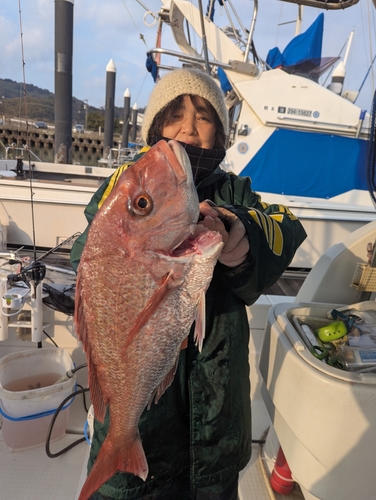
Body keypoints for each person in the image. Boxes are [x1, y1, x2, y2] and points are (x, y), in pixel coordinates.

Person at [70, 68, 307, 500]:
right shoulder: (121, 187)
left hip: (217, 423)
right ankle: (120, 446)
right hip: (144, 425)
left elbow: (286, 229)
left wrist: (241, 239)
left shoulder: (237, 194)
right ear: (156, 128)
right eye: (175, 116)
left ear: (220, 133)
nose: (189, 129)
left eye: (204, 118)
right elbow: (85, 255)